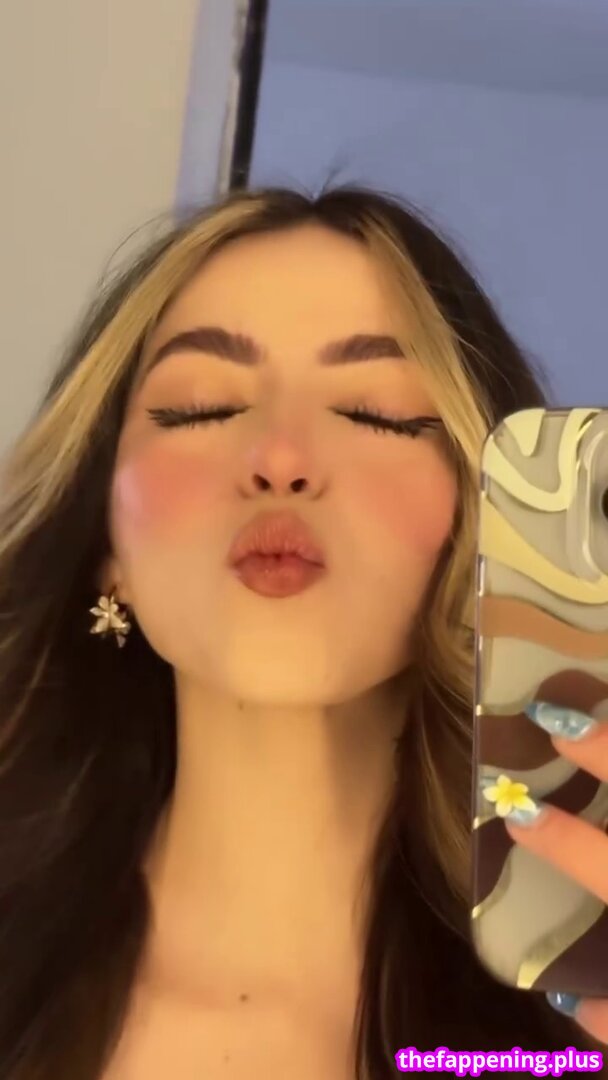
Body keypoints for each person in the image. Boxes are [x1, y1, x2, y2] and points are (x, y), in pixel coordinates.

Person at [0, 183, 605, 1080]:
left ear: (489, 530)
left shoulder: (571, 1029)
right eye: (201, 406)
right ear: (105, 547)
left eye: (376, 414)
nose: (280, 458)